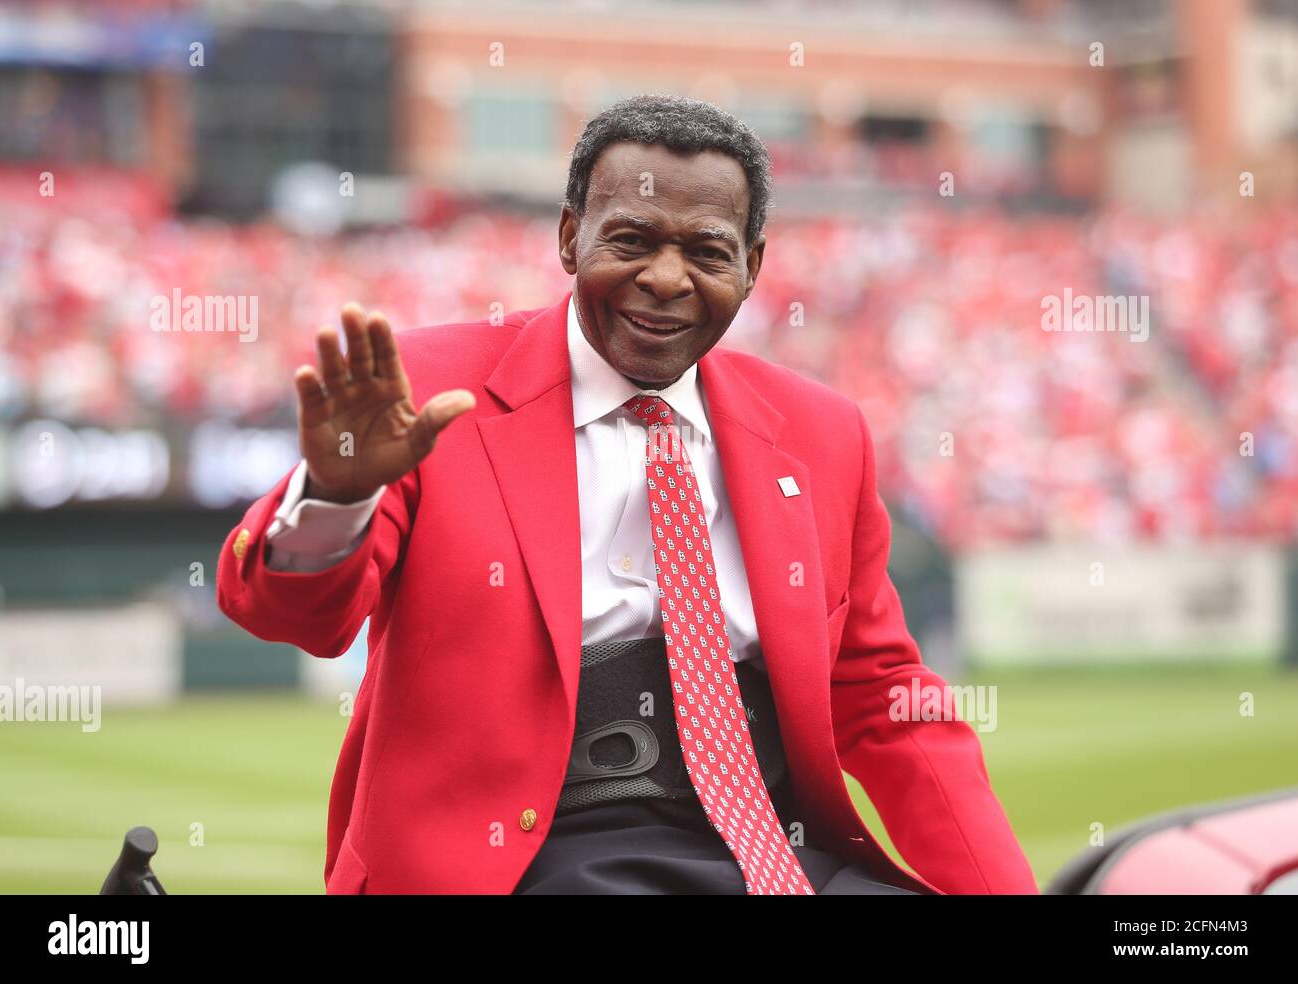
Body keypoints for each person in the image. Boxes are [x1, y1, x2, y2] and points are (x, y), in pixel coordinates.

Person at [217, 94, 1037, 895]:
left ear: (753, 266)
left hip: (769, 847)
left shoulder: (821, 432)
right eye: (632, 240)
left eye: (708, 252)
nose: (667, 279)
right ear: (571, 237)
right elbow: (295, 619)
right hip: (528, 858)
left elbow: (881, 697)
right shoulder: (428, 391)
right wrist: (337, 493)